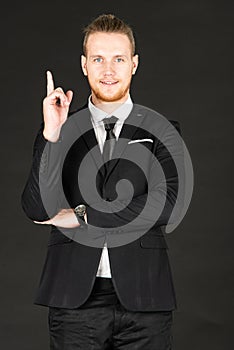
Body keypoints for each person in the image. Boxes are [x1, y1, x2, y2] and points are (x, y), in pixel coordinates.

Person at [21, 13, 184, 350]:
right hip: (73, 299)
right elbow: (37, 208)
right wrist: (51, 135)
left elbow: (165, 204)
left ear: (134, 64)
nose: (108, 70)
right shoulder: (60, 128)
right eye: (98, 59)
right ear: (84, 65)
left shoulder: (162, 131)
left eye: (118, 59)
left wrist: (83, 215)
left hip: (146, 299)